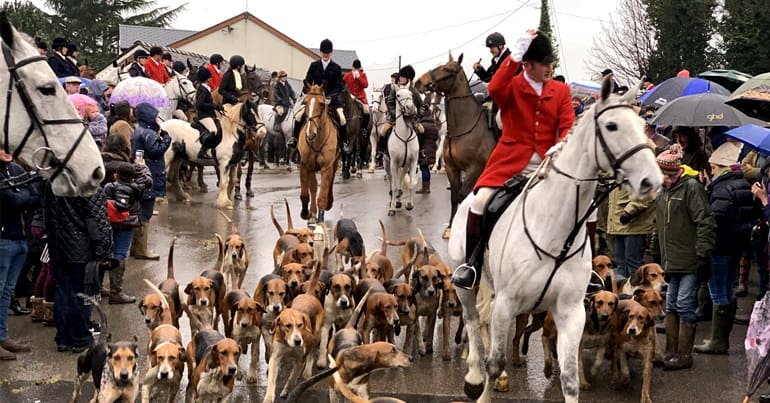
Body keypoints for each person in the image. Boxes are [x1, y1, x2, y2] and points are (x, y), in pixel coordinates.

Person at [451, 30, 575, 290]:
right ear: (527, 65)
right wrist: (513, 57)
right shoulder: (512, 86)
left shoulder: (562, 90)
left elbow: (567, 126)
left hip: (549, 163)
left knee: (585, 203)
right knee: (480, 202)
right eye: (543, 63)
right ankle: (472, 265)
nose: (549, 68)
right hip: (510, 162)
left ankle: (587, 266)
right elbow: (494, 87)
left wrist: (561, 146)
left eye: (550, 63)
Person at [649, 144, 716, 371]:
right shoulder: (663, 192)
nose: (663, 180)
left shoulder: (691, 188)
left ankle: (684, 356)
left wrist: (703, 254)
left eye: (665, 176)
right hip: (670, 260)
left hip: (690, 258)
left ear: (674, 173)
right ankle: (671, 352)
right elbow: (658, 226)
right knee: (672, 305)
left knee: (684, 304)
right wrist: (654, 253)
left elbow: (705, 221)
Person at [694, 141, 754, 354]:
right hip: (735, 246)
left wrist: (706, 191)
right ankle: (721, 339)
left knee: (718, 292)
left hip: (720, 247)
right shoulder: (742, 183)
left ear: (722, 167)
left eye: (714, 167)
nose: (711, 171)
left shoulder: (722, 188)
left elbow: (714, 218)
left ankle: (718, 341)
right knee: (728, 290)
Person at [44, 177, 113, 353]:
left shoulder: (53, 178)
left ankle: (63, 338)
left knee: (63, 291)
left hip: (58, 245)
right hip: (81, 247)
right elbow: (97, 219)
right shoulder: (87, 181)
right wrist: (104, 252)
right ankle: (80, 338)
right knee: (82, 294)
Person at [0, 149, 41, 359]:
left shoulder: (14, 169)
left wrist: (20, 193)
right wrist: (23, 193)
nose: (6, 151)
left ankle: (2, 336)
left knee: (8, 290)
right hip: (4, 240)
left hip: (21, 238)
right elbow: (11, 200)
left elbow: (35, 195)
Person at [288, 38, 347, 152]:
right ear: (320, 53)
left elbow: (339, 86)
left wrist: (330, 96)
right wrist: (307, 92)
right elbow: (308, 80)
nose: (325, 55)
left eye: (327, 53)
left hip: (331, 100)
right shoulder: (314, 65)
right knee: (299, 115)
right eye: (323, 53)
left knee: (342, 118)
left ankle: (344, 143)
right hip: (314, 99)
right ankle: (294, 138)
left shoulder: (336, 68)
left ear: (331, 53)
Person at [103, 161, 149, 304]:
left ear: (116, 175)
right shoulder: (137, 189)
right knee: (120, 254)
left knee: (104, 253)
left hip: (109, 223)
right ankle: (115, 291)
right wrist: (143, 168)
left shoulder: (108, 187)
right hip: (127, 223)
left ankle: (97, 287)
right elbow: (148, 181)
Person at [130, 103, 171, 260]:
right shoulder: (148, 133)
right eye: (155, 115)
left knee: (140, 211)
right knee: (145, 213)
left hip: (142, 174)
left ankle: (136, 247)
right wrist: (166, 139)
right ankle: (141, 249)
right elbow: (155, 151)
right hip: (151, 175)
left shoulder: (139, 131)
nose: (157, 118)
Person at [607, 187, 655, 278]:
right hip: (618, 225)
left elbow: (648, 193)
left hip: (634, 226)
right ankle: (623, 290)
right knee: (621, 266)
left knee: (634, 266)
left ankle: (636, 290)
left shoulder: (641, 172)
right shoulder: (617, 173)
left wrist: (629, 212)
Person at [382, 65, 426, 136]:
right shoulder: (395, 89)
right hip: (394, 118)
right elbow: (390, 103)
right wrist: (395, 114)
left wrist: (418, 115)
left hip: (411, 118)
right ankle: (381, 147)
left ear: (409, 79)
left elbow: (421, 105)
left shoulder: (414, 91)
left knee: (422, 131)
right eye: (400, 76)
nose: (400, 78)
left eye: (403, 77)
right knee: (383, 132)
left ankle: (420, 146)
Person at [193, 67, 225, 160]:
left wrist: (218, 108)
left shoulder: (205, 88)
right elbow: (200, 104)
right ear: (207, 79)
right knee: (213, 131)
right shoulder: (203, 89)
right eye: (210, 77)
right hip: (204, 115)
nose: (211, 78)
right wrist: (214, 106)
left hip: (209, 114)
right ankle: (202, 151)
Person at [343, 59, 371, 136]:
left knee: (367, 111)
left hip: (360, 98)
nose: (356, 70)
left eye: (357, 69)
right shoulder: (347, 75)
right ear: (352, 67)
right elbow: (343, 86)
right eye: (355, 68)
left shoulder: (363, 75)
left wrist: (359, 78)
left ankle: (363, 129)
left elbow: (366, 85)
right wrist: (349, 94)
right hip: (349, 97)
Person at [416, 113, 439, 194]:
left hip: (424, 149)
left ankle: (425, 188)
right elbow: (436, 138)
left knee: (424, 168)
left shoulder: (422, 126)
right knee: (426, 169)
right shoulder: (434, 126)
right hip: (432, 148)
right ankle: (427, 187)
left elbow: (419, 138)